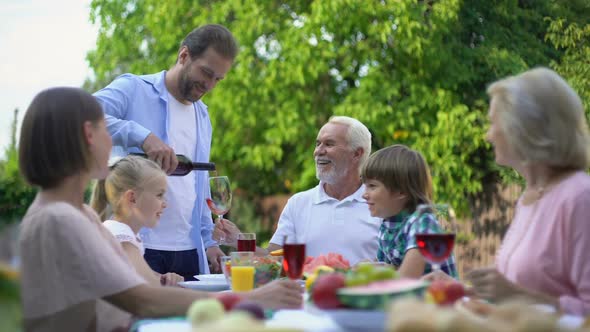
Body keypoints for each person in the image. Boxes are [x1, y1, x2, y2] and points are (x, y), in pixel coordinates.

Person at [17, 87, 303, 331]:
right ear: (89, 134)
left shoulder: (75, 213)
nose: (113, 141)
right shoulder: (60, 218)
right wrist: (253, 299)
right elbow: (143, 300)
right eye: (106, 129)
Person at [425, 67, 590, 316]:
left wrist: (518, 296)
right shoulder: (529, 197)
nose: (488, 135)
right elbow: (513, 293)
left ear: (524, 127)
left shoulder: (579, 198)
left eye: (493, 122)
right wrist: (460, 289)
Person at [93, 24, 237, 278]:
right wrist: (142, 135)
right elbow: (84, 112)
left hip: (190, 251)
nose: (210, 85)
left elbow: (199, 185)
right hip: (138, 245)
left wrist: (208, 241)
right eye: (206, 72)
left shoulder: (203, 115)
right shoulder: (133, 89)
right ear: (184, 56)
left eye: (218, 79)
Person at [217, 116, 381, 265]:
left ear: (357, 154)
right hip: (309, 296)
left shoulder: (380, 202)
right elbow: (274, 258)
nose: (318, 151)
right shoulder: (299, 203)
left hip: (364, 295)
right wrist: (238, 240)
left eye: (329, 144)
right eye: (318, 144)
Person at [361, 144, 457, 278]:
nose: (364, 194)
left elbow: (406, 279)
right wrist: (370, 268)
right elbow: (389, 267)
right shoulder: (388, 223)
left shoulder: (423, 222)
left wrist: (374, 274)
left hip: (440, 298)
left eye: (372, 186)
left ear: (401, 191)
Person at [91, 155, 184, 287]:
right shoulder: (121, 237)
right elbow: (153, 290)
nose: (165, 204)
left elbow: (147, 278)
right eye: (159, 195)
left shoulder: (122, 232)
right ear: (132, 198)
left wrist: (164, 278)